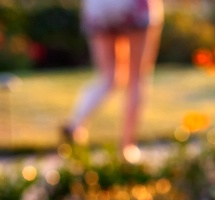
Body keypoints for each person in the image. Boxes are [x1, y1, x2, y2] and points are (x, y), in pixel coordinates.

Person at [63, 0, 163, 163]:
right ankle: (127, 147)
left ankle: (76, 123)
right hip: (132, 6)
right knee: (137, 78)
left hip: (100, 6)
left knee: (108, 78)